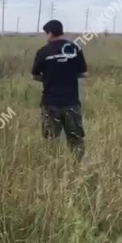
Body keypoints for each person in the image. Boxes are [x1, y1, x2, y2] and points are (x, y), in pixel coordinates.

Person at [32, 20, 88, 161]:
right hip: (71, 102)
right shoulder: (74, 48)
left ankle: (53, 168)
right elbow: (83, 72)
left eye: (46, 33)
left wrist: (50, 78)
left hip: (50, 103)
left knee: (51, 140)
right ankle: (78, 166)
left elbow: (35, 75)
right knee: (76, 139)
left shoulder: (43, 52)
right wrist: (68, 75)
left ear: (50, 33)